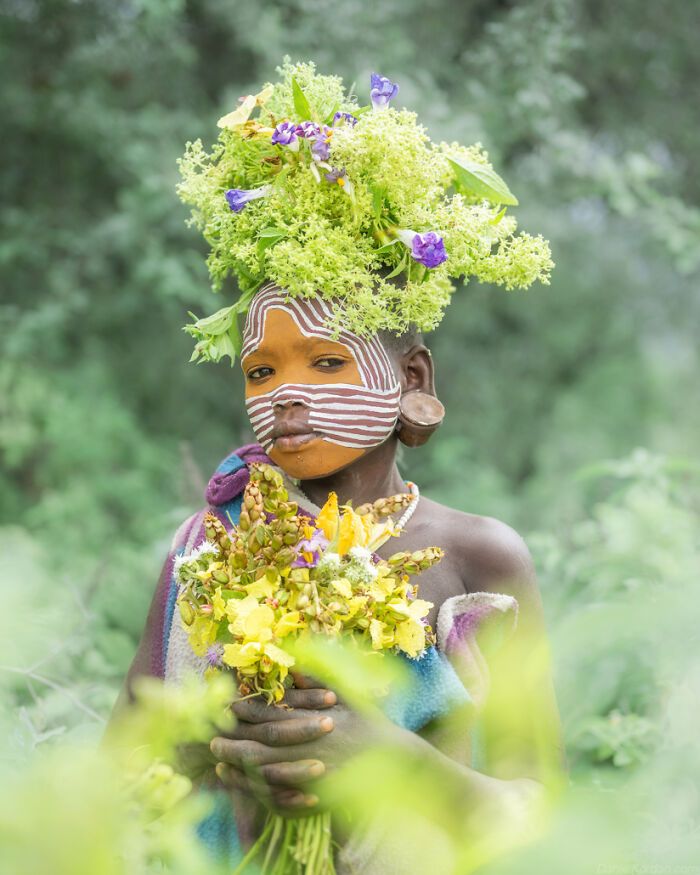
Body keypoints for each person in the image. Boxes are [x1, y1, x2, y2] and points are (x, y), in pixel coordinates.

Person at [116, 61, 564, 870]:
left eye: (324, 362)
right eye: (262, 371)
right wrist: (213, 743)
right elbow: (117, 772)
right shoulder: (205, 551)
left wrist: (390, 759)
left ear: (413, 383)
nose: (286, 395)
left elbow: (538, 813)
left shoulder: (477, 558)